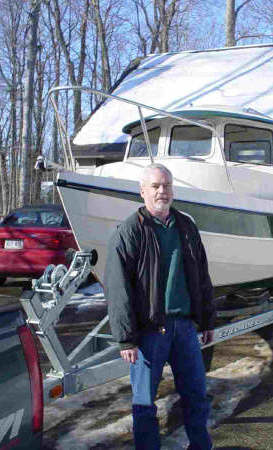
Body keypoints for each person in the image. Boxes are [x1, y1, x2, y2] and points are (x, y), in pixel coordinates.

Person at [105, 163, 215, 450]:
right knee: (144, 404)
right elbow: (118, 288)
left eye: (166, 186)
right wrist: (126, 338)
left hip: (185, 329)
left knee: (197, 396)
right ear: (142, 191)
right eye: (155, 186)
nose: (161, 191)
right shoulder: (130, 231)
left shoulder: (186, 226)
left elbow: (201, 276)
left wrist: (207, 320)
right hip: (149, 332)